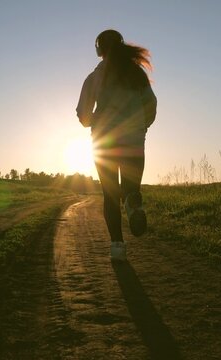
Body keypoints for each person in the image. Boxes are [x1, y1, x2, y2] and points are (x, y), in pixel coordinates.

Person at [76, 29, 157, 261]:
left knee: (110, 195)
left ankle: (117, 247)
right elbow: (151, 104)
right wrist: (142, 126)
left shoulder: (94, 77)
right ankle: (133, 205)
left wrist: (94, 120)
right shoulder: (137, 75)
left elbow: (82, 114)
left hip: (104, 143)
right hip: (133, 141)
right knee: (131, 188)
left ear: (99, 49)